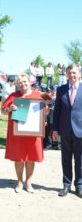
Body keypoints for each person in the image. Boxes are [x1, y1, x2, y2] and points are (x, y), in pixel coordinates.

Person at [2, 73, 45, 193]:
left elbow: (43, 112)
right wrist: (9, 109)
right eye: (20, 82)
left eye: (25, 81)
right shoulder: (13, 96)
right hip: (17, 133)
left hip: (32, 133)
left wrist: (44, 114)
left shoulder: (38, 95)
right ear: (17, 84)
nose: (23, 84)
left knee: (31, 158)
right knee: (19, 158)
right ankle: (19, 182)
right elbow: (3, 111)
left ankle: (29, 183)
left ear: (29, 82)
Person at [52, 64, 82, 198]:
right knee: (66, 159)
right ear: (66, 75)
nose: (72, 75)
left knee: (80, 160)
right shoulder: (61, 90)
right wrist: (55, 130)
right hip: (64, 130)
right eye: (69, 73)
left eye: (74, 73)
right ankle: (66, 184)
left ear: (79, 74)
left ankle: (80, 185)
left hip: (80, 131)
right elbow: (57, 111)